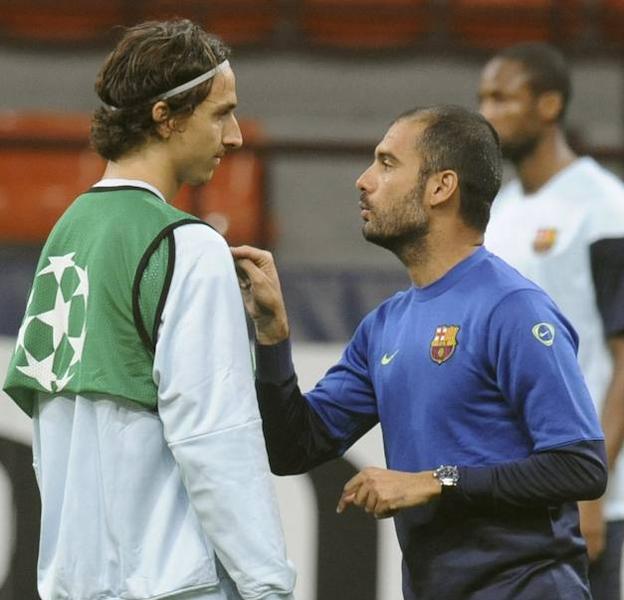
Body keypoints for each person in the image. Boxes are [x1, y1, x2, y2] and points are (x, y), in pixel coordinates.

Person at [232, 105, 608, 600]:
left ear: (440, 187)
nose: (364, 181)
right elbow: (293, 448)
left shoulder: (514, 309)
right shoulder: (385, 326)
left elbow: (580, 466)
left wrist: (436, 481)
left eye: (387, 164)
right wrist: (273, 337)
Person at [2, 20, 295, 600]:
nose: (234, 136)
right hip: (172, 586)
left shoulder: (65, 235)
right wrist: (269, 584)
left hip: (74, 584)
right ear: (166, 116)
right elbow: (215, 435)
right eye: (220, 113)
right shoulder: (188, 245)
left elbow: (49, 432)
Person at [479, 42, 624, 600]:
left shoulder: (603, 210)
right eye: (482, 98)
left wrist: (593, 486)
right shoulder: (500, 212)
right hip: (515, 492)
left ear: (549, 105)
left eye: (502, 97)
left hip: (585, 497)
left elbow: (622, 362)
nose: (487, 112)